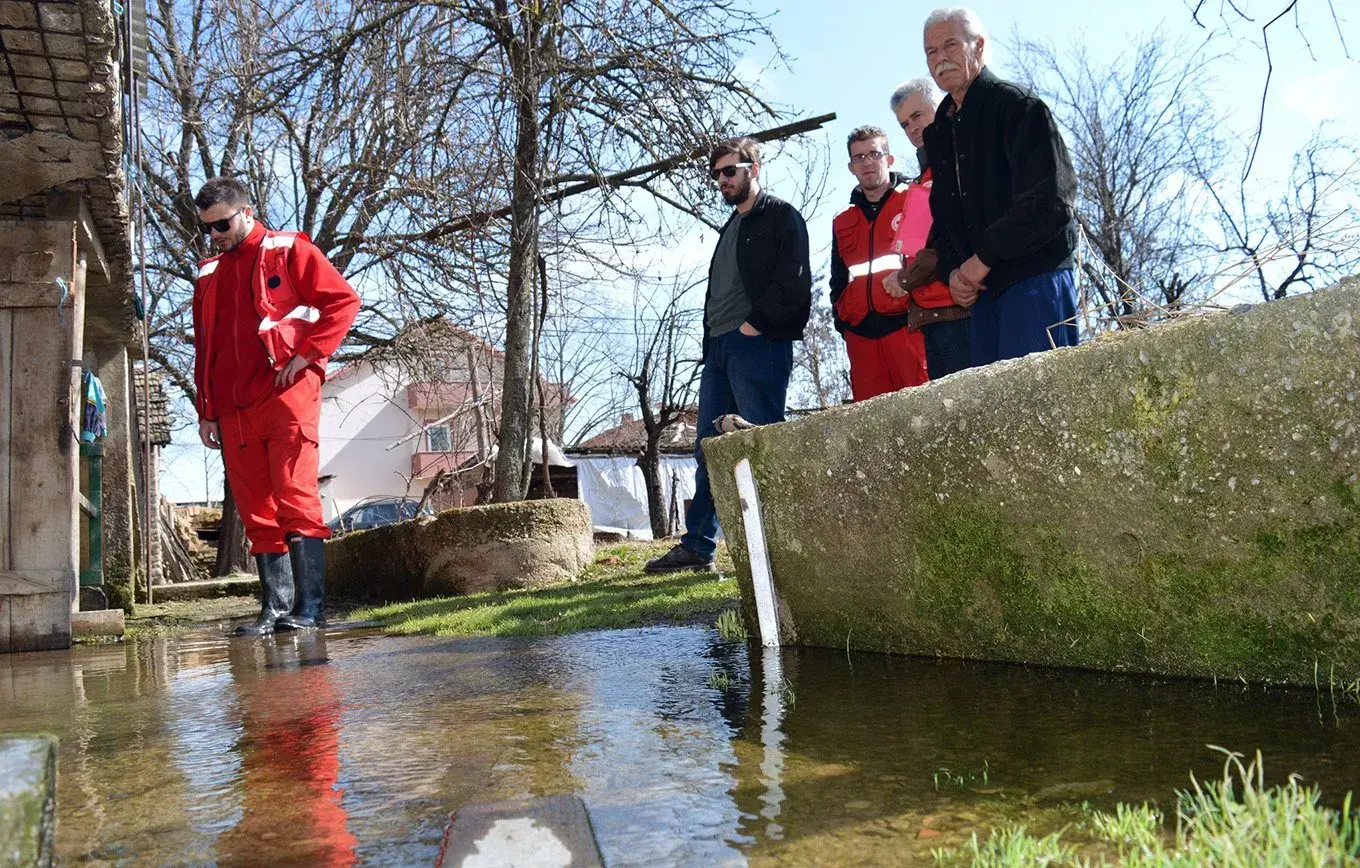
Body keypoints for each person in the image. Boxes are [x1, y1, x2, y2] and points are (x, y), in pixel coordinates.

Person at [192, 177, 360, 634]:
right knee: (255, 509)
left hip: (285, 397)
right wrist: (206, 410)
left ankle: (310, 610)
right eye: (207, 228)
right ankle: (274, 610)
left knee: (294, 496)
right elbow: (204, 347)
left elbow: (343, 302)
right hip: (231, 409)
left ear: (246, 211)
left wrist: (308, 355)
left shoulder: (289, 251)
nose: (216, 235)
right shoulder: (207, 273)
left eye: (222, 224)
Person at [645, 138, 812, 573]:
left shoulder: (779, 216)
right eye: (716, 174)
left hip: (756, 345)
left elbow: (794, 284)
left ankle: (785, 548)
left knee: (763, 443)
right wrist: (718, 339)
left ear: (753, 168)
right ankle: (698, 546)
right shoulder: (730, 227)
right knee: (710, 450)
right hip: (719, 348)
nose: (722, 180)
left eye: (730, 171)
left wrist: (754, 326)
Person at [920, 6, 1080, 366]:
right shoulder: (939, 134)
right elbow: (944, 219)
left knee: (1042, 407)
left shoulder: (1017, 107)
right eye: (932, 51)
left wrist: (979, 263)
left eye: (950, 45)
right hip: (984, 297)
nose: (941, 58)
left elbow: (1051, 201)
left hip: (1034, 282)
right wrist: (952, 274)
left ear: (978, 46)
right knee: (993, 417)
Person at [827, 126, 929, 400]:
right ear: (851, 167)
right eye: (858, 157)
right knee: (871, 427)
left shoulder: (913, 198)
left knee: (920, 413)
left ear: (889, 158)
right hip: (860, 338)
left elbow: (929, 258)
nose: (867, 162)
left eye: (874, 153)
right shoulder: (842, 219)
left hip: (907, 328)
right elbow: (838, 279)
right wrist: (842, 321)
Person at [884, 77, 972, 378]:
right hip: (931, 316)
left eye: (917, 116)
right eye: (904, 124)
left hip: (961, 310)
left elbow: (948, 241)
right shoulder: (921, 181)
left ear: (940, 104)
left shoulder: (960, 161)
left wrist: (906, 280)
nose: (912, 129)